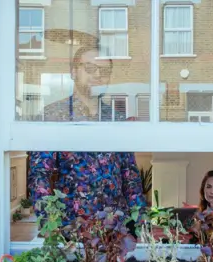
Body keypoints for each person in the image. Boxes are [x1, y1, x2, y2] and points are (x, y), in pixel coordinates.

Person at [27, 39, 147, 230]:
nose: (98, 75)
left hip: (115, 232)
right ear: (73, 72)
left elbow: (130, 177)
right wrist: (51, 226)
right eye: (90, 68)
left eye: (105, 71)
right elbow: (40, 176)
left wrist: (141, 225)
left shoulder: (116, 118)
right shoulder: (52, 116)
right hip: (72, 232)